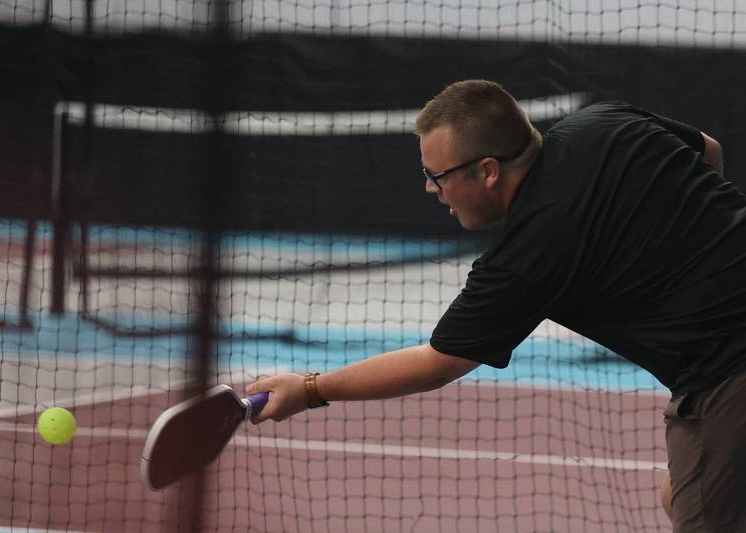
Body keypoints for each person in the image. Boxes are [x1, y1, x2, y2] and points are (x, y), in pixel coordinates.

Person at [246, 79, 745, 532]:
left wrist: (309, 389)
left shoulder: (526, 257)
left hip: (727, 370)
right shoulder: (608, 121)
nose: (430, 188)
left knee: (702, 512)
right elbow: (709, 151)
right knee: (680, 492)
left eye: (435, 175)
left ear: (487, 171)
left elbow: (437, 363)